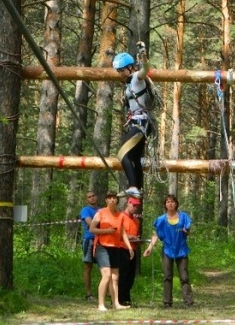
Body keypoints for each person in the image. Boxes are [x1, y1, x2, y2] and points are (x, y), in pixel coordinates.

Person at [113, 41, 153, 199]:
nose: (120, 73)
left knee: (122, 154)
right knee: (135, 158)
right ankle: (138, 188)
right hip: (138, 122)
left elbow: (146, 69)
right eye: (118, 71)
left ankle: (133, 187)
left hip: (141, 123)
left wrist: (143, 55)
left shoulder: (137, 78)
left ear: (130, 67)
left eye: (122, 70)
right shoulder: (128, 83)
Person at [143, 194, 194, 307]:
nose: (170, 203)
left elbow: (188, 231)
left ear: (176, 203)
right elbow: (156, 234)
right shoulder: (161, 219)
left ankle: (189, 301)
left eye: (172, 201)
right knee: (167, 276)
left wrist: (187, 231)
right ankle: (167, 302)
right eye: (167, 202)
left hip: (181, 250)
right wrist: (149, 248)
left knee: (184, 276)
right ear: (165, 205)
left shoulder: (184, 216)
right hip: (167, 250)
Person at [89, 192, 134, 311]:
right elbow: (92, 229)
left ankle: (116, 304)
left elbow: (123, 232)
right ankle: (101, 304)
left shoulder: (120, 215)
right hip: (102, 246)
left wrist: (129, 247)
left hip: (116, 247)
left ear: (117, 201)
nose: (112, 200)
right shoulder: (101, 213)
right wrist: (106, 231)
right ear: (106, 201)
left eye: (114, 198)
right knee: (106, 275)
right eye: (109, 198)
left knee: (115, 277)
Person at [118, 197, 142, 306]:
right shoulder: (120, 217)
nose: (135, 208)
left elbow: (135, 236)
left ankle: (126, 298)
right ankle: (119, 299)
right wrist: (130, 237)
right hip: (122, 249)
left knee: (131, 276)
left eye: (137, 206)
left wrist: (138, 240)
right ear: (128, 203)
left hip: (133, 249)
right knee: (123, 275)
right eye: (134, 205)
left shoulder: (136, 221)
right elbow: (117, 234)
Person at [80, 191, 100, 301]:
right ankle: (88, 294)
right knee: (88, 267)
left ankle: (106, 292)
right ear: (87, 199)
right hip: (89, 240)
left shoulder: (101, 210)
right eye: (89, 197)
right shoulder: (85, 210)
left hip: (101, 240)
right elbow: (90, 223)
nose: (92, 198)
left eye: (93, 196)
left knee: (104, 267)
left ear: (96, 197)